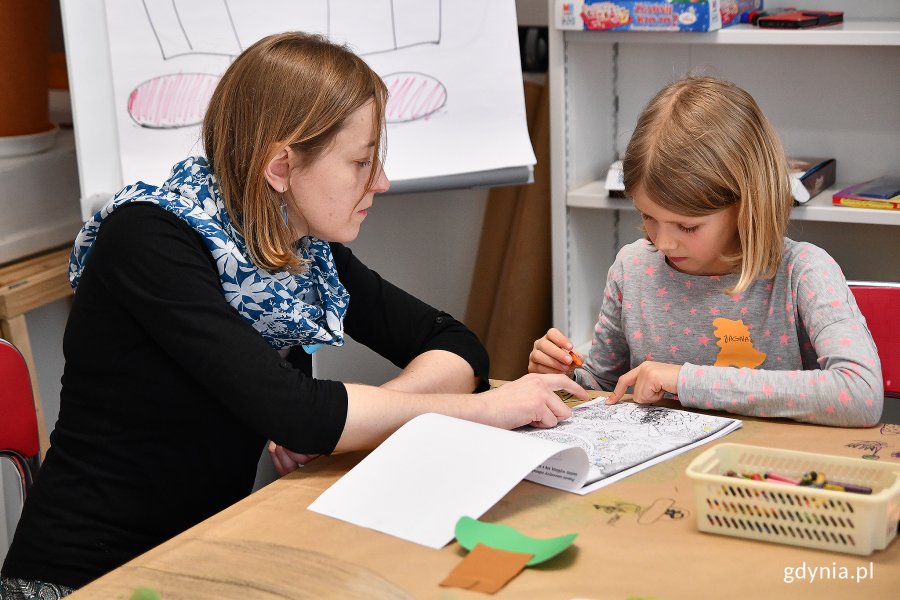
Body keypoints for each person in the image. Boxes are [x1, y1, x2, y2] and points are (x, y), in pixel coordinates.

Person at [1, 32, 585, 597]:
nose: (379, 182)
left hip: (201, 558)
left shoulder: (298, 246)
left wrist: (367, 417)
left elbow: (456, 346)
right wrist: (478, 412)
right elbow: (299, 413)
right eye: (361, 162)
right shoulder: (150, 238)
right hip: (85, 579)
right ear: (280, 168)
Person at [529, 75, 883, 428]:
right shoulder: (632, 268)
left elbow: (860, 394)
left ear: (745, 205)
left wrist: (685, 380)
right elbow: (605, 387)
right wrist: (563, 376)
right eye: (648, 216)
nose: (663, 242)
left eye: (687, 226)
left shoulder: (803, 272)